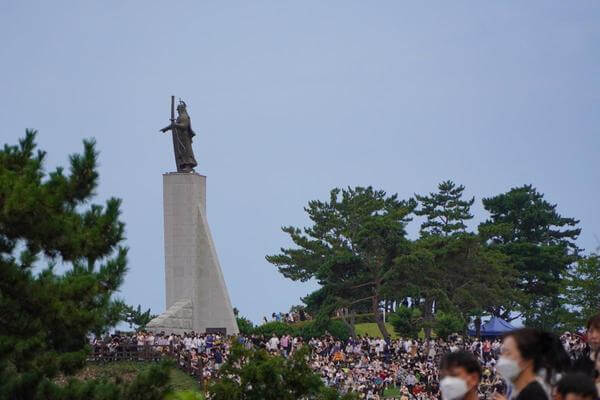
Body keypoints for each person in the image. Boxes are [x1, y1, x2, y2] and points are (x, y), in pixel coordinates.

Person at [493, 328, 570, 400]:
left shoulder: (535, 392)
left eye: (508, 353)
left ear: (527, 358)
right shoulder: (519, 388)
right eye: (502, 353)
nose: (502, 358)